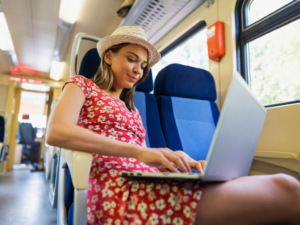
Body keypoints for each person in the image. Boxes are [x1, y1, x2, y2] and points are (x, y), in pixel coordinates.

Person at [46, 26, 300, 225]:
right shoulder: (81, 85)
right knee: (287, 190)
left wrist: (178, 161)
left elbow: (144, 158)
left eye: (143, 66)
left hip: (149, 179)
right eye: (132, 59)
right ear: (109, 56)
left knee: (280, 184)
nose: (138, 71)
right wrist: (139, 152)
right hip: (116, 188)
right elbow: (57, 132)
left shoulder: (132, 109)